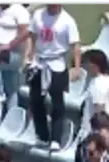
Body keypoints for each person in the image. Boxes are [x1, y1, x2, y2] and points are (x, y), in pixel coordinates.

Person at [26, 4, 82, 152]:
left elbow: (75, 45)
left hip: (57, 64)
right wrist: (28, 56)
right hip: (39, 63)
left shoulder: (67, 20)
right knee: (36, 101)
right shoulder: (38, 15)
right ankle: (42, 136)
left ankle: (56, 139)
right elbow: (32, 36)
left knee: (57, 103)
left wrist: (76, 67)